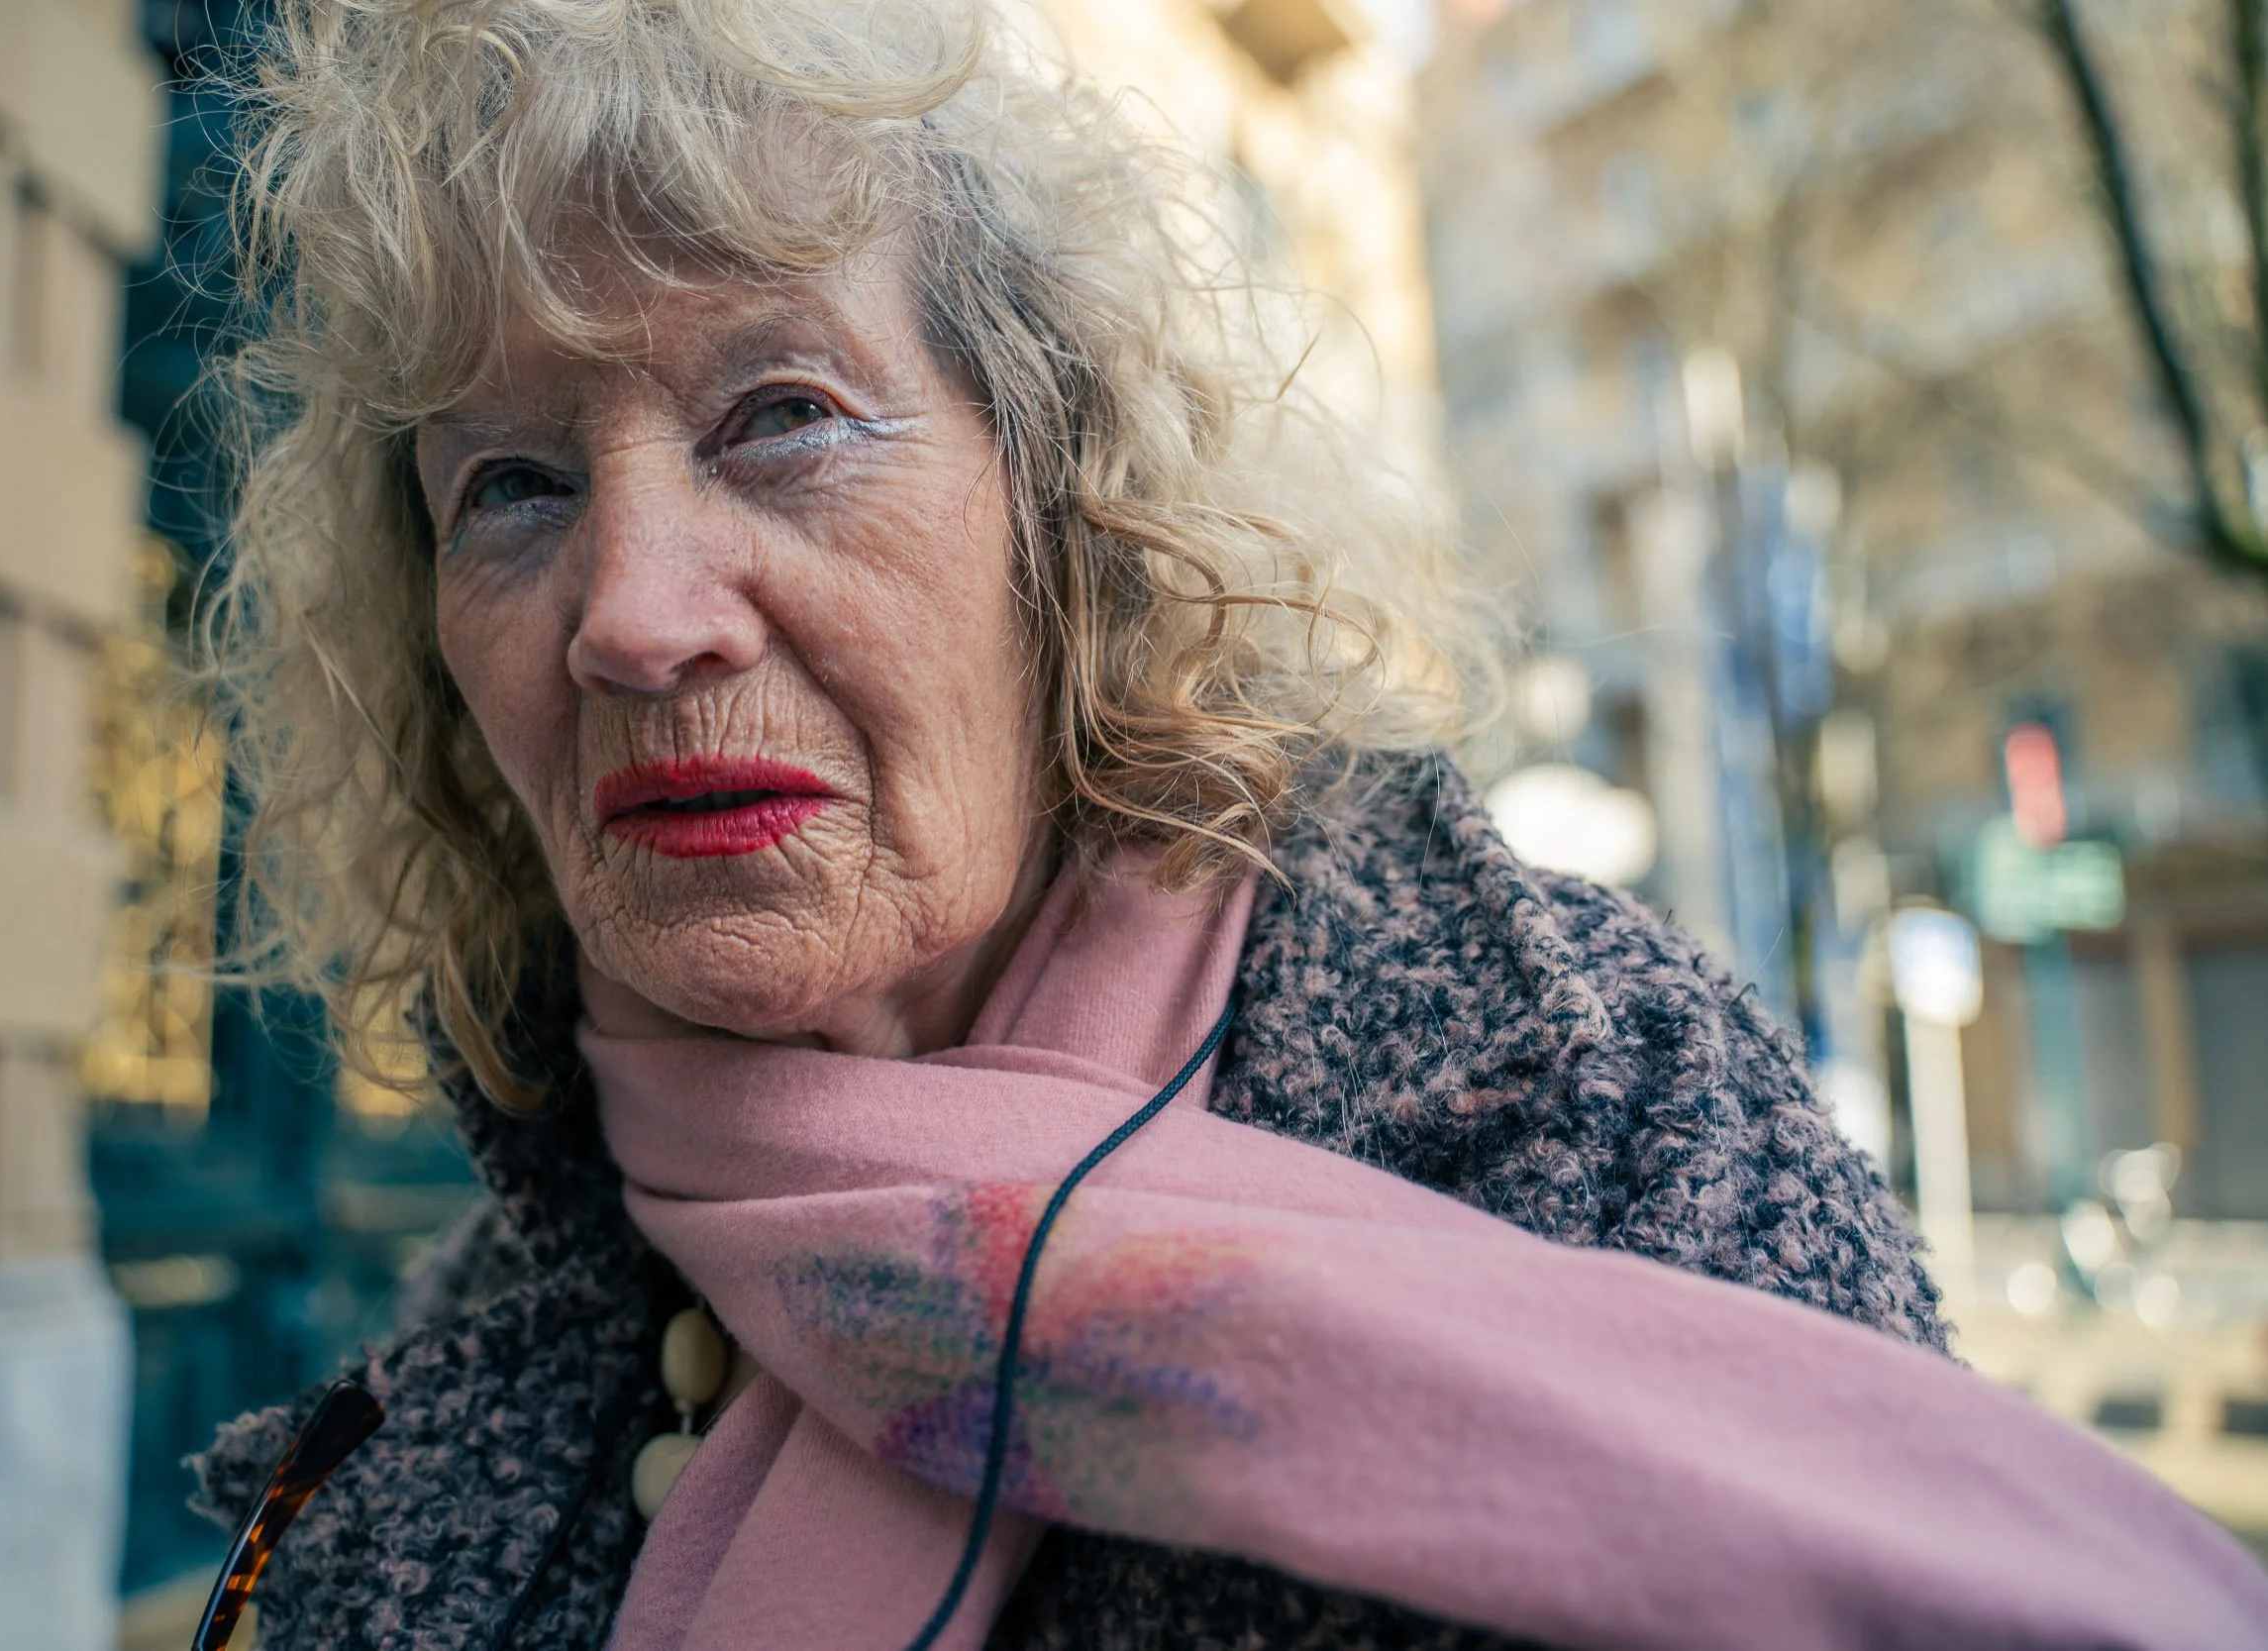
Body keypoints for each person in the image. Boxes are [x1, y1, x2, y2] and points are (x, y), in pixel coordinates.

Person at [189, 2, 2268, 1647]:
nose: (634, 613)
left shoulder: (1570, 1105)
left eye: (782, 416)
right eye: (512, 488)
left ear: (1060, 502)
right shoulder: (476, 1340)